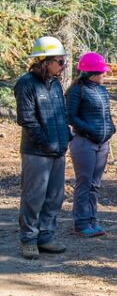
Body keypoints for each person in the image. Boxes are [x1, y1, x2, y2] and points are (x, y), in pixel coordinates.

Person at [14, 36, 71, 259]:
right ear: (44, 61)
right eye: (59, 61)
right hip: (36, 152)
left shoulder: (55, 84)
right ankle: (28, 239)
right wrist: (47, 143)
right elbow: (27, 120)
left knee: (55, 196)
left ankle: (46, 237)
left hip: (58, 150)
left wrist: (66, 138)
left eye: (63, 62)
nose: (63, 66)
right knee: (34, 197)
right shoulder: (26, 84)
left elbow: (61, 114)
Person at [66, 52, 115, 237]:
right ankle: (80, 223)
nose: (105, 74)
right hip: (84, 142)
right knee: (84, 183)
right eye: (102, 71)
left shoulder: (102, 90)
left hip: (103, 143)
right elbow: (71, 116)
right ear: (92, 72)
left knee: (95, 184)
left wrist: (111, 128)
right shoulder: (76, 90)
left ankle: (93, 220)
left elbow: (106, 114)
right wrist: (89, 130)